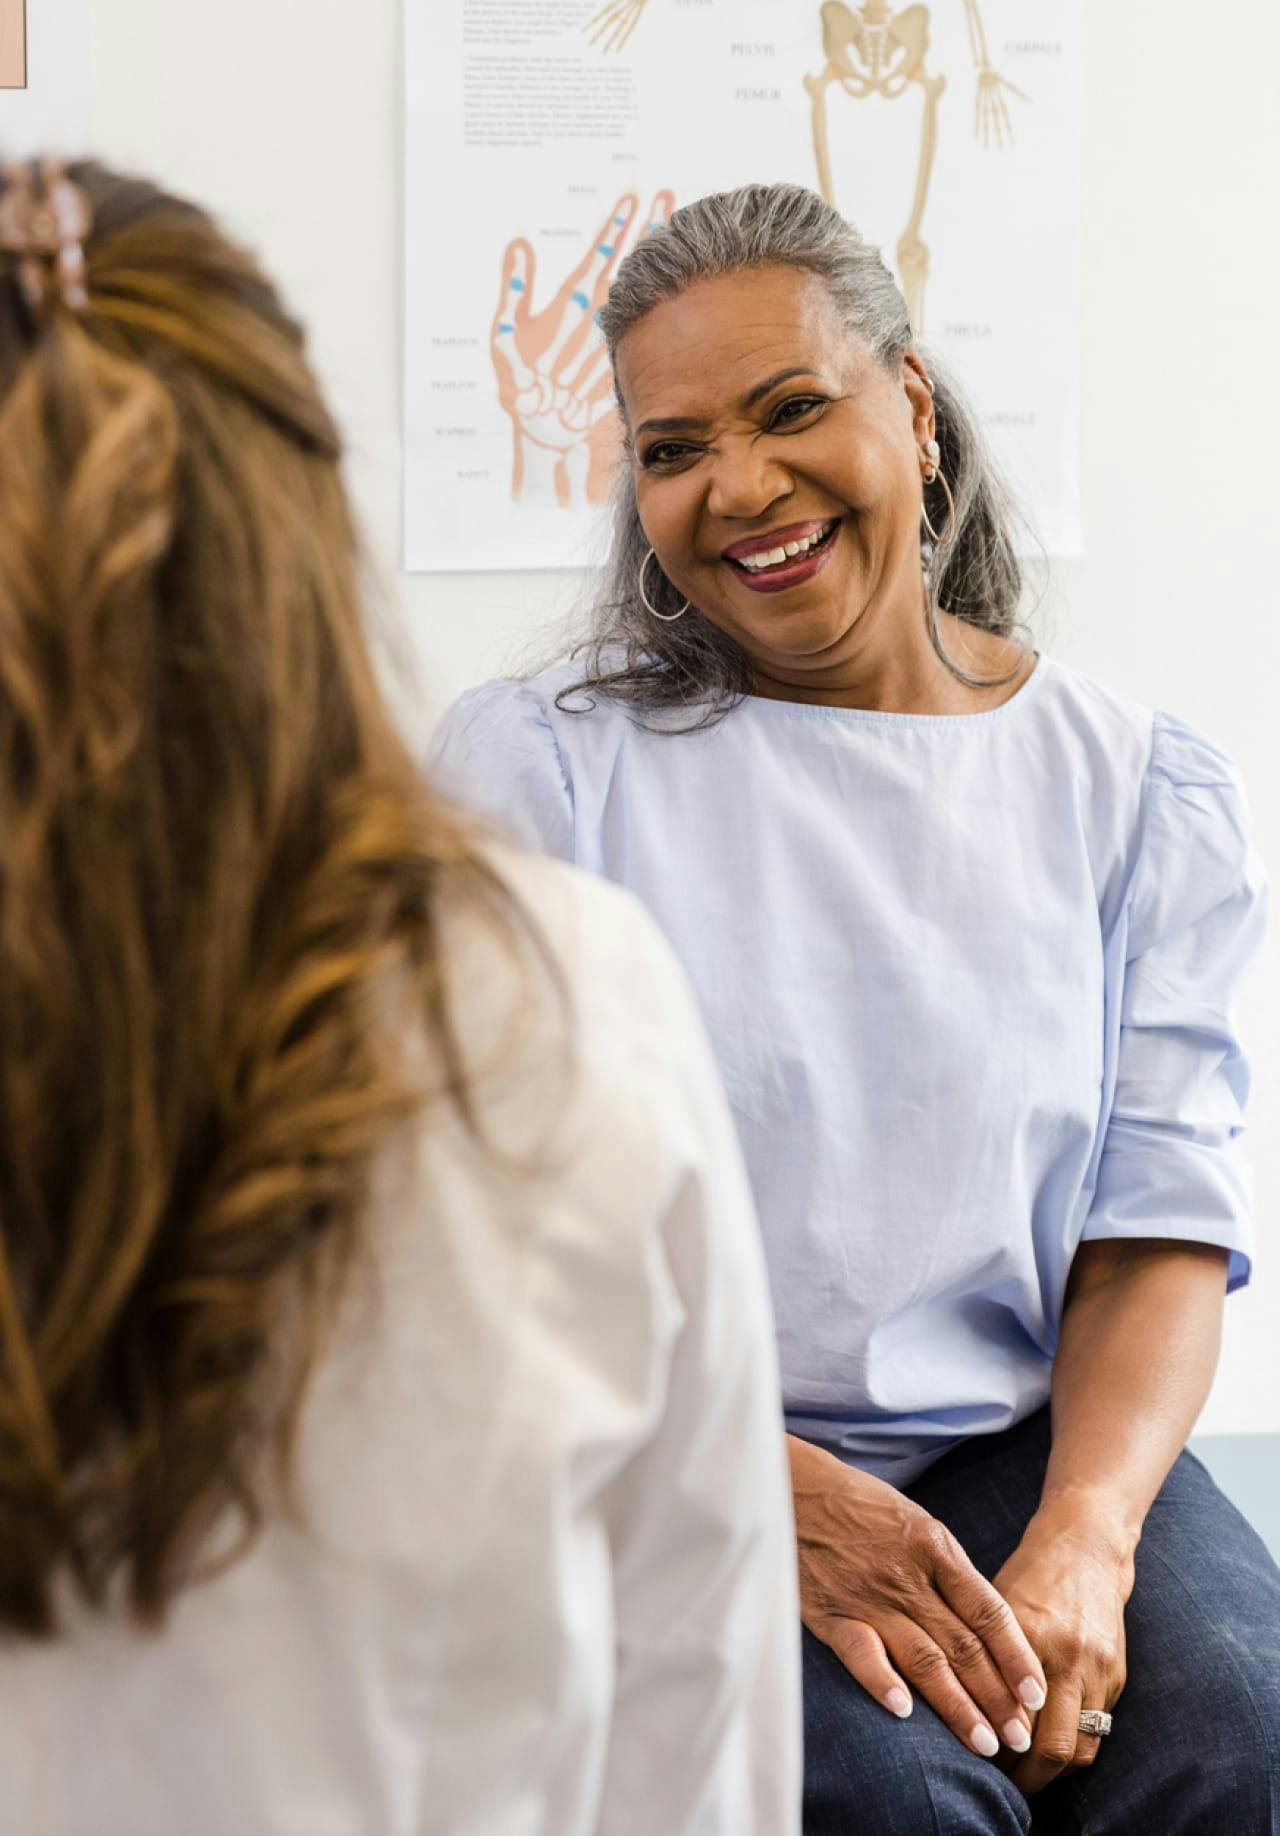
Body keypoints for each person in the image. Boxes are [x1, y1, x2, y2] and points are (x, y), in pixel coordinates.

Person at [431, 181, 1280, 1835]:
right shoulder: (541, 769)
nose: (737, 486)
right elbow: (463, 1253)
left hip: (1020, 1437)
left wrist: (1088, 1539)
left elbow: (1158, 1220)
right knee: (897, 1805)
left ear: (913, 402)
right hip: (664, 1452)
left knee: (1242, 1732)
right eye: (673, 449)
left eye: (791, 409)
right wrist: (752, 1487)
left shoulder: (1139, 787)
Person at [0, 158, 802, 1836]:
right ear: (303, 525)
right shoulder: (566, 1001)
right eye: (671, 446)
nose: (740, 491)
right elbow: (697, 1736)